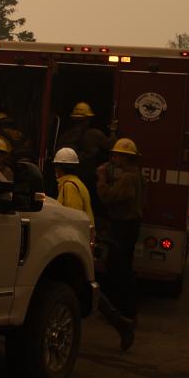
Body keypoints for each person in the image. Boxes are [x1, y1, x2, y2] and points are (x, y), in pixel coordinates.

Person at [54, 147, 134, 350]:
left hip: (73, 245)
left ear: (59, 168)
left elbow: (70, 218)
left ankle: (120, 325)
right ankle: (121, 324)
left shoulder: (69, 187)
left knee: (79, 288)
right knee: (84, 287)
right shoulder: (78, 184)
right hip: (81, 243)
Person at [97, 137, 145, 327]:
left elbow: (108, 197)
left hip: (123, 227)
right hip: (130, 226)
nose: (113, 158)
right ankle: (123, 312)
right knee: (120, 268)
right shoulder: (137, 176)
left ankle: (125, 314)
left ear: (125, 158)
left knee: (119, 270)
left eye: (116, 155)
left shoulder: (128, 178)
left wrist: (101, 179)